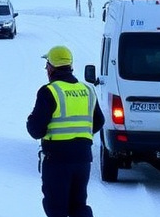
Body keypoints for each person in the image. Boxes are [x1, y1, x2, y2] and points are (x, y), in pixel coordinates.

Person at [26, 45, 105, 217]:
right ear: (71, 66)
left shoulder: (50, 91)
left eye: (47, 65)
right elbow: (99, 121)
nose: (46, 69)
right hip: (82, 159)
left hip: (56, 161)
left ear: (51, 68)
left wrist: (30, 121)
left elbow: (36, 130)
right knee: (78, 205)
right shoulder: (88, 90)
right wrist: (80, 135)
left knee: (56, 208)